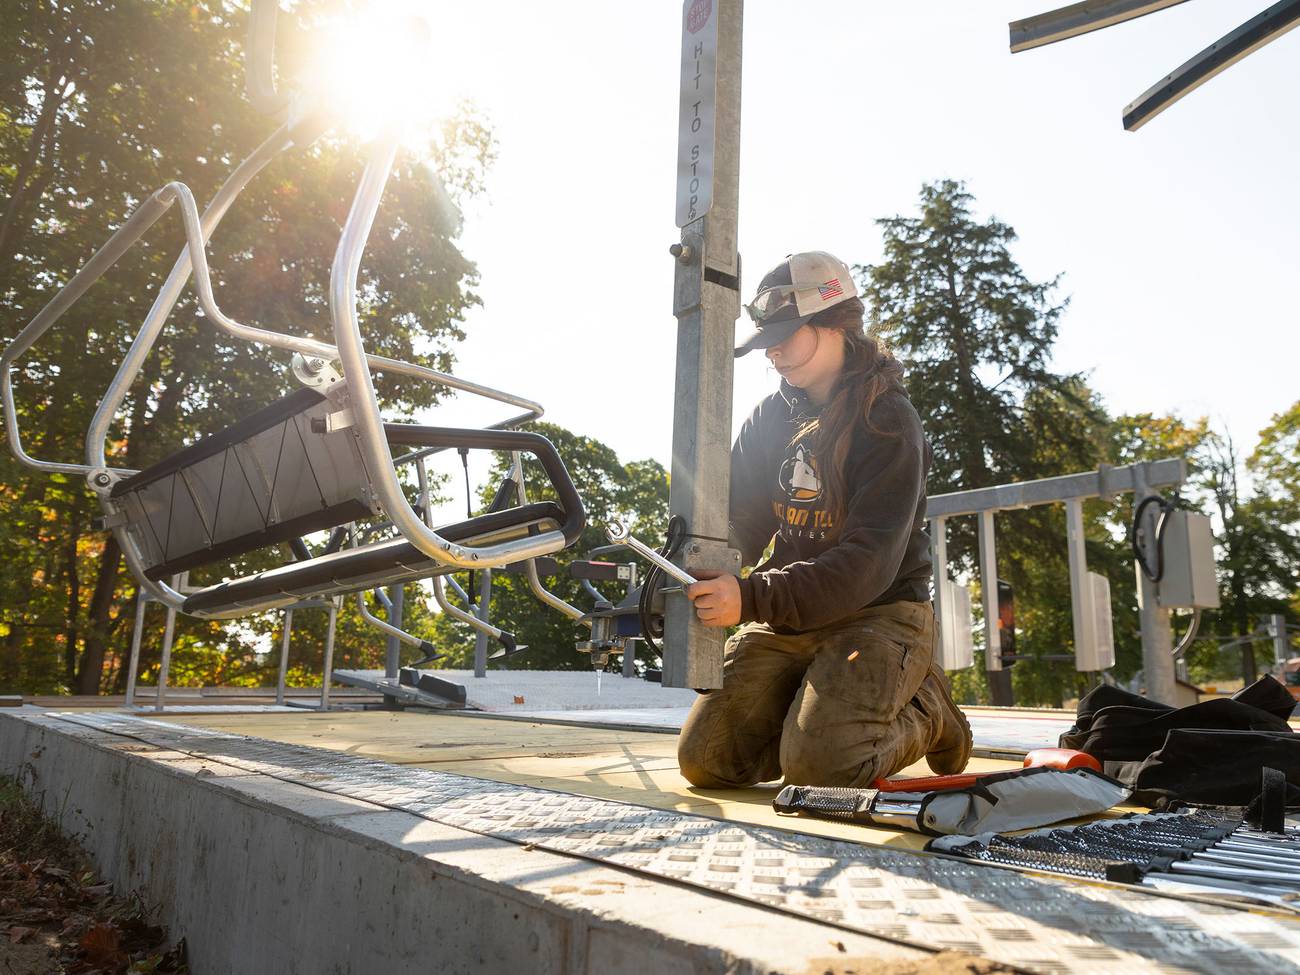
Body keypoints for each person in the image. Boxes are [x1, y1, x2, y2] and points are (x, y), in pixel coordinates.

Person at [677, 251, 972, 789]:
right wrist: (694, 571)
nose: (773, 350)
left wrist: (751, 597)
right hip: (793, 616)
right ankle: (814, 707)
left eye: (787, 333)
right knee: (706, 762)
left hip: (877, 615)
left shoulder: (887, 420)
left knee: (824, 769)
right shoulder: (770, 417)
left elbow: (868, 563)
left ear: (835, 322)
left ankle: (929, 710)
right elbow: (741, 518)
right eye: (768, 337)